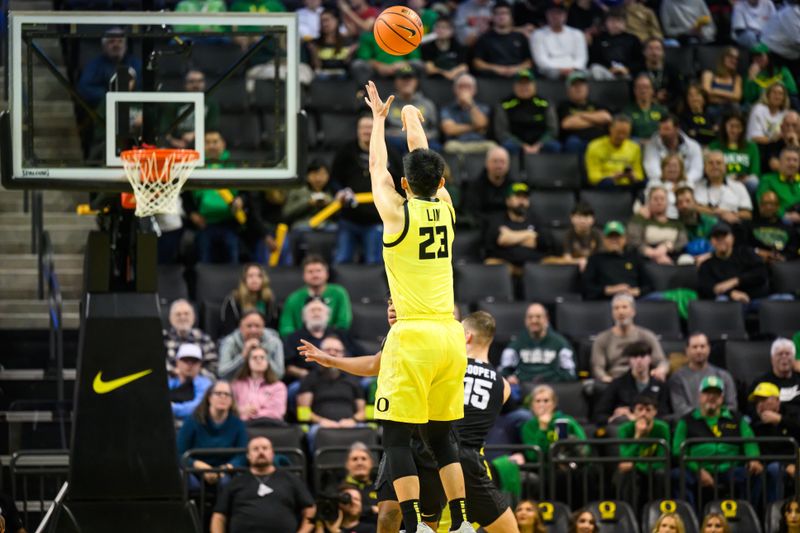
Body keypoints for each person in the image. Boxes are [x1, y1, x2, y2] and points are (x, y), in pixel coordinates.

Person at [362, 80, 473, 533]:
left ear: (405, 184)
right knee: (442, 436)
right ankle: (461, 522)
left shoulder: (396, 211)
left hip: (412, 336)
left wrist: (378, 120)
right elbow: (424, 158)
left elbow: (376, 167)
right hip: (451, 334)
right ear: (441, 183)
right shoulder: (446, 205)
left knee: (395, 438)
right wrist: (411, 117)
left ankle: (417, 526)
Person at [300, 310, 518, 533]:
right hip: (453, 452)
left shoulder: (442, 352)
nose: (392, 310)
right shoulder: (502, 383)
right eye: (389, 306)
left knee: (405, 519)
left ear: (465, 336)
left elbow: (377, 367)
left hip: (426, 438)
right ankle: (456, 521)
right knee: (403, 517)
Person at [672, 376, 763, 507]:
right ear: (700, 396)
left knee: (756, 474)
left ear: (722, 398)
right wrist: (698, 470)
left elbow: (749, 441)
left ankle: (746, 515)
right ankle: (690, 519)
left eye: (716, 393)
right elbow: (678, 451)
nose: (712, 397)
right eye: (707, 393)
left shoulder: (736, 418)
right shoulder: (687, 420)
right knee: (678, 476)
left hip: (729, 468)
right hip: (697, 468)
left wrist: (754, 459)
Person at [330, 114, 403, 265]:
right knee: (341, 260)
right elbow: (334, 179)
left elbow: (401, 183)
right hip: (349, 218)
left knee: (374, 263)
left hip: (377, 220)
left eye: (370, 127)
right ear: (357, 130)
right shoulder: (346, 151)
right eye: (363, 127)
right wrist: (339, 192)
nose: (366, 131)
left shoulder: (391, 153)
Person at [210, 436, 316, 533]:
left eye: (265, 448)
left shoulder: (291, 479)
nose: (261, 452)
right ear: (248, 456)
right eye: (255, 449)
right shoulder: (236, 482)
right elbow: (218, 516)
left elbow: (310, 509)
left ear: (273, 454)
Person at [177, 381, 250, 490]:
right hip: (196, 470)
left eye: (227, 394)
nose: (223, 397)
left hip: (225, 471)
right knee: (190, 483)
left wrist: (224, 469)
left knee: (226, 483)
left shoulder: (238, 424)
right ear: (209, 397)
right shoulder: (192, 421)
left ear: (231, 400)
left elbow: (242, 455)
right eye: (218, 393)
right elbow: (179, 453)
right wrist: (200, 466)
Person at [591, 293, 668, 383]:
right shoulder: (602, 338)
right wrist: (606, 379)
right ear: (612, 313)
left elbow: (662, 361)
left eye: (624, 307)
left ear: (633, 311)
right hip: (615, 380)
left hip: (641, 379)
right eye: (616, 308)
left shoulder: (646, 335)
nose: (620, 312)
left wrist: (661, 370)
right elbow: (597, 367)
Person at [284, 298, 362, 386]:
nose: (316, 313)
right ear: (304, 316)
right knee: (295, 388)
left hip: (344, 377)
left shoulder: (340, 334)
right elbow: (288, 366)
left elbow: (359, 355)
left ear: (327, 315)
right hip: (308, 380)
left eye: (320, 310)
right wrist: (304, 374)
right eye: (312, 310)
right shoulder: (294, 337)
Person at [298, 336, 365, 432]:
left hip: (350, 425)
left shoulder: (353, 379)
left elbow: (362, 412)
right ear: (319, 352)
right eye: (328, 350)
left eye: (337, 351)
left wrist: (353, 420)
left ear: (343, 354)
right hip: (320, 427)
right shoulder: (309, 378)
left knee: (366, 430)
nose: (332, 353)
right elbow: (303, 411)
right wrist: (321, 421)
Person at [499, 303, 577, 387]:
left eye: (538, 317)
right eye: (530, 317)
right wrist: (509, 377)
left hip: (552, 388)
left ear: (546, 319)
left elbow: (570, 374)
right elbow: (503, 371)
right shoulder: (515, 344)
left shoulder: (561, 343)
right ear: (525, 320)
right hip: (524, 388)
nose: (534, 321)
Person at [594, 342, 670, 424]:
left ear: (650, 359)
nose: (638, 360)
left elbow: (665, 414)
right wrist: (614, 418)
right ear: (629, 360)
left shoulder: (661, 386)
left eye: (643, 356)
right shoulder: (617, 384)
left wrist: (634, 415)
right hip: (624, 427)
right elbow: (599, 414)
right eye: (634, 357)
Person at [748, 382, 800, 503]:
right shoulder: (755, 425)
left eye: (764, 400)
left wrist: (780, 420)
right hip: (771, 466)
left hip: (795, 462)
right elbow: (761, 452)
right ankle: (768, 514)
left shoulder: (792, 414)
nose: (760, 405)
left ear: (777, 401)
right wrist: (786, 466)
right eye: (757, 401)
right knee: (771, 470)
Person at [616, 394, 671, 506]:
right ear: (633, 412)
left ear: (655, 412)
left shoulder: (662, 428)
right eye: (640, 409)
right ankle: (630, 516)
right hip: (635, 472)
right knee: (628, 476)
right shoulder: (625, 429)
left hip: (652, 470)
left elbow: (662, 460)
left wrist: (636, 465)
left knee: (660, 474)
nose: (643, 414)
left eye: (648, 410)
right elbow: (625, 457)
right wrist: (637, 436)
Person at [279, 255, 353, 338]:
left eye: (318, 271)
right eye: (310, 272)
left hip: (332, 340)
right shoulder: (294, 298)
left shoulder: (339, 293)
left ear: (327, 274)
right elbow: (286, 328)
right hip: (301, 343)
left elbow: (343, 323)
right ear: (304, 276)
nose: (315, 275)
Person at [697, 221, 770, 303]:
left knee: (784, 298)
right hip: (729, 304)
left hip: (756, 299)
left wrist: (736, 281)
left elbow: (761, 273)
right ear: (711, 241)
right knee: (722, 300)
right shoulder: (706, 265)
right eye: (716, 237)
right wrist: (730, 293)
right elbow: (708, 288)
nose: (720, 240)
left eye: (724, 236)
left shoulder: (745, 253)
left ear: (733, 238)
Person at [494, 69, 561, 155]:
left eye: (527, 84)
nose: (524, 87)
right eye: (521, 84)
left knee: (554, 146)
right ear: (514, 86)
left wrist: (539, 144)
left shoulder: (545, 104)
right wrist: (521, 145)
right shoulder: (504, 105)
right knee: (508, 146)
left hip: (541, 143)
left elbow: (553, 130)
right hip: (515, 143)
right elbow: (502, 132)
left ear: (534, 85)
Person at [483, 182, 549, 271]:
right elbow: (501, 240)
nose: (522, 201)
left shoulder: (536, 219)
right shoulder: (498, 220)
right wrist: (529, 234)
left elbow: (543, 242)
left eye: (525, 197)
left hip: (534, 267)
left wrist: (511, 236)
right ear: (508, 201)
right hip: (506, 268)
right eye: (518, 197)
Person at [669, 333, 737, 417]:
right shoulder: (678, 377)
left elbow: (732, 406)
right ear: (687, 350)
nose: (699, 350)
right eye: (694, 347)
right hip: (691, 424)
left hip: (720, 423)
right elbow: (680, 408)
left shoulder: (724, 376)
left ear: (709, 349)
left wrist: (713, 417)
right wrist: (703, 418)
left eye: (702, 346)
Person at [582, 222, 653, 300]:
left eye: (617, 237)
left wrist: (636, 291)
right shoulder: (594, 259)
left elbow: (649, 285)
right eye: (610, 237)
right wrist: (611, 290)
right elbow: (586, 287)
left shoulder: (634, 258)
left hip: (633, 301)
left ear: (625, 239)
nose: (614, 240)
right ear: (604, 240)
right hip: (605, 302)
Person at [77, 28, 141, 109]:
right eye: (111, 42)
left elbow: (145, 88)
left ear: (126, 46)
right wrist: (110, 94)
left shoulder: (136, 64)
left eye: (120, 41)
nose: (116, 45)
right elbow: (83, 88)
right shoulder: (95, 65)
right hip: (105, 109)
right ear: (104, 46)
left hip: (133, 108)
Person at [627, 186, 688, 264]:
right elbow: (633, 240)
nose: (659, 202)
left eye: (662, 199)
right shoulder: (641, 221)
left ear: (667, 203)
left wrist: (667, 247)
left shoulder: (676, 223)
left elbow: (683, 241)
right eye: (655, 199)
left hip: (672, 257)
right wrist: (650, 252)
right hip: (646, 258)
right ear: (649, 202)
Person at [384, 67, 439, 154]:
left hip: (422, 141)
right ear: (396, 82)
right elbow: (382, 129)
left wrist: (425, 135)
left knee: (435, 146)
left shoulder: (427, 104)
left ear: (416, 82)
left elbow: (435, 130)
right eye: (403, 79)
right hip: (396, 143)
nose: (406, 82)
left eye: (410, 79)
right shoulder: (388, 103)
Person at [472, 1, 534, 78]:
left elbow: (529, 62)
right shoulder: (484, 38)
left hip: (518, 77)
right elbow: (477, 63)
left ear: (511, 16)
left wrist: (516, 69)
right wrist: (496, 68)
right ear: (492, 17)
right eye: (498, 14)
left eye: (505, 13)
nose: (501, 17)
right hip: (492, 78)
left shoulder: (520, 37)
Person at [558, 71, 613, 154]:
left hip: (599, 140)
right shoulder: (564, 106)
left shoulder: (596, 104)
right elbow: (567, 124)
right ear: (568, 90)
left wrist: (581, 115)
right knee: (572, 143)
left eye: (581, 85)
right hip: (578, 141)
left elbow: (607, 118)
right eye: (574, 85)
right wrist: (596, 121)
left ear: (587, 88)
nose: (578, 88)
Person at [219, 310, 284, 381]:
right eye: (249, 326)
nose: (253, 330)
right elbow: (222, 374)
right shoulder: (230, 342)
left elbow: (279, 375)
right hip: (237, 384)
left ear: (263, 327)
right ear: (240, 327)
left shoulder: (274, 342)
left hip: (266, 385)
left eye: (257, 326)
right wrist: (242, 357)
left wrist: (263, 354)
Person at [162, 69, 220, 149]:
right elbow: (164, 129)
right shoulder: (175, 102)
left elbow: (213, 129)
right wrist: (174, 142)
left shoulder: (211, 103)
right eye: (192, 81)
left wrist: (194, 134)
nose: (196, 85)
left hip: (203, 144)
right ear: (185, 84)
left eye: (199, 81)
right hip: (176, 144)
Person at [692, 151, 753, 225]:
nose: (715, 166)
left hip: (731, 226)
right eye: (711, 163)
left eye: (718, 163)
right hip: (703, 226)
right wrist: (718, 213)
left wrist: (732, 214)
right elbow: (691, 207)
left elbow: (747, 214)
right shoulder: (696, 187)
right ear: (705, 168)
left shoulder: (738, 186)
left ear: (725, 167)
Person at [531, 1, 588, 80]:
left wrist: (572, 69)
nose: (555, 16)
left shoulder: (577, 34)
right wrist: (560, 70)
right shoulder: (538, 34)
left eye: (559, 13)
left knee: (584, 73)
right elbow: (541, 60)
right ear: (547, 15)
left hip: (574, 70)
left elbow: (581, 59)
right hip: (550, 71)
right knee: (548, 72)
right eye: (552, 13)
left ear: (565, 15)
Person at [462, 146, 516, 228]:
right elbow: (473, 213)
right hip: (483, 227)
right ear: (487, 163)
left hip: (510, 226)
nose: (499, 165)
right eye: (495, 161)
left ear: (508, 165)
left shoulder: (515, 186)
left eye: (502, 162)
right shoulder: (475, 187)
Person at [585, 115, 645, 188]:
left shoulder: (634, 148)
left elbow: (640, 176)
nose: (621, 136)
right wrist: (612, 177)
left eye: (625, 133)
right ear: (610, 128)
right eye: (618, 132)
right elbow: (593, 177)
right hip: (604, 188)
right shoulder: (594, 146)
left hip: (627, 187)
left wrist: (632, 176)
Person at [440, 74, 494, 154]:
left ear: (475, 90)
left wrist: (470, 104)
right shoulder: (447, 108)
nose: (464, 90)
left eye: (468, 86)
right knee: (449, 146)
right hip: (458, 144)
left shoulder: (483, 107)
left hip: (480, 143)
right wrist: (474, 128)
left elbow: (482, 124)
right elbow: (449, 130)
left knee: (493, 147)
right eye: (461, 86)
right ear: (455, 89)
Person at [231, 346, 287, 423]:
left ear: (268, 362)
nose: (258, 360)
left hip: (267, 426)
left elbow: (277, 412)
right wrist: (241, 410)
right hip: (241, 426)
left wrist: (253, 414)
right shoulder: (236, 385)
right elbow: (230, 409)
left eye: (262, 357)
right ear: (248, 362)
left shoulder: (278, 386)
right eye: (254, 357)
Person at [163, 299, 217, 377]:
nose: (183, 317)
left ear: (193, 317)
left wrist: (193, 375)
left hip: (199, 383)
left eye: (186, 314)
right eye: (178, 314)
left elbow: (213, 367)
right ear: (170, 318)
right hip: (171, 382)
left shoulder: (204, 339)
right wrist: (175, 373)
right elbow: (157, 366)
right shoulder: (163, 338)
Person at [709, 113, 761, 193]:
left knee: (754, 181)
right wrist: (728, 178)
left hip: (745, 183)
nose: (734, 130)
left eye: (738, 127)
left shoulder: (751, 147)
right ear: (725, 126)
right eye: (731, 126)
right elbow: (710, 170)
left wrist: (741, 179)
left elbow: (755, 172)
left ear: (743, 128)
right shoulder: (714, 146)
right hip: (722, 182)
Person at [220, 263, 277, 336]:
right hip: (237, 338)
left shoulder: (269, 299)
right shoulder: (234, 300)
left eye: (259, 276)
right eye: (250, 276)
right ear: (244, 280)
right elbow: (228, 329)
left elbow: (272, 327)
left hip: (263, 339)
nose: (254, 279)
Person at [644, 115, 704, 184]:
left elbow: (697, 171)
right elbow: (652, 170)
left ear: (677, 129)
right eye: (660, 129)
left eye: (666, 129)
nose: (662, 133)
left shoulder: (693, 146)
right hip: (661, 185)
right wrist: (667, 184)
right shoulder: (651, 146)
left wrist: (683, 183)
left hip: (688, 185)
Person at [749, 338, 800, 420]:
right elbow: (751, 410)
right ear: (772, 359)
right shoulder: (760, 382)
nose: (784, 357)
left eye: (788, 354)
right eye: (779, 354)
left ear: (794, 359)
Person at [748, 190, 800, 263]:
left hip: (782, 265)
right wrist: (757, 252)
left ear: (778, 206)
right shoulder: (749, 226)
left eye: (772, 204)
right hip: (757, 262)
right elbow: (742, 248)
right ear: (759, 206)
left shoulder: (789, 229)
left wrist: (782, 257)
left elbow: (793, 251)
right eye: (764, 204)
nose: (768, 207)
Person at [588, 10, 643, 80]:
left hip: (627, 73)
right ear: (606, 23)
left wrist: (627, 69)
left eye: (618, 21)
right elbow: (593, 60)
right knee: (595, 68)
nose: (615, 24)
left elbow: (639, 62)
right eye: (612, 21)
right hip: (606, 72)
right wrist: (610, 68)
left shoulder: (633, 39)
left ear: (625, 23)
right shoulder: (599, 39)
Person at [307, 9, 358, 79]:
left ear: (336, 21)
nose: (324, 24)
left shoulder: (348, 42)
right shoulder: (314, 43)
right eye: (322, 21)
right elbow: (317, 68)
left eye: (327, 20)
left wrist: (349, 56)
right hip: (322, 78)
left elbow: (348, 66)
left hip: (344, 79)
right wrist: (314, 54)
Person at [169, 343, 213, 421]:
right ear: (177, 362)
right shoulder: (170, 381)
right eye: (185, 360)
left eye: (194, 361)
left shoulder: (206, 384)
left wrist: (171, 407)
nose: (189, 365)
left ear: (200, 364)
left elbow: (198, 407)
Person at [757, 146, 800, 224]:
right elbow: (763, 202)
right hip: (781, 220)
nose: (792, 163)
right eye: (788, 160)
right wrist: (784, 214)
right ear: (780, 162)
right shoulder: (768, 179)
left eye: (795, 160)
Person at [341, 442, 379, 525]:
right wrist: (371, 509)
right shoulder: (339, 488)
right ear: (347, 464)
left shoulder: (380, 487)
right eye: (354, 459)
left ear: (371, 463)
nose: (359, 463)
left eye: (364, 459)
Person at [637, 38, 683, 107]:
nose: (654, 52)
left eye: (658, 49)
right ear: (644, 52)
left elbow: (678, 91)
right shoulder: (637, 70)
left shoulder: (672, 70)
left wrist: (667, 94)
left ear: (663, 52)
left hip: (668, 107)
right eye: (650, 49)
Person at [676, 186, 718, 258]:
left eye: (688, 201)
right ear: (676, 206)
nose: (684, 205)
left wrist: (708, 256)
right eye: (680, 202)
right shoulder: (676, 225)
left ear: (695, 202)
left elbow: (720, 244)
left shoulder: (711, 222)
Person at [624, 73, 669, 141]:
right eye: (639, 87)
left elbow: (668, 131)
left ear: (652, 90)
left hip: (658, 147)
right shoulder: (627, 111)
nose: (643, 91)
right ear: (634, 90)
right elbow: (625, 136)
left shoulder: (662, 110)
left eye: (646, 87)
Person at [422, 17, 469, 81]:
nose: (440, 30)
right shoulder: (428, 47)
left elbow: (463, 66)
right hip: (435, 79)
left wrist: (452, 73)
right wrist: (445, 73)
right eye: (438, 27)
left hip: (455, 77)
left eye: (444, 28)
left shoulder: (458, 46)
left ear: (451, 31)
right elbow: (430, 68)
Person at [561, 202, 603, 270]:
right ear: (571, 218)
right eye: (579, 217)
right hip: (574, 268)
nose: (583, 221)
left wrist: (588, 263)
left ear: (593, 219)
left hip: (594, 268)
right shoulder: (568, 235)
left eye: (586, 217)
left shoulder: (598, 234)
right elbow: (566, 258)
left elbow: (601, 258)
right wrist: (580, 261)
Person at [700, 47, 743, 113]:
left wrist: (714, 91)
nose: (734, 61)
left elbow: (737, 96)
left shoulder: (737, 78)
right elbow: (707, 92)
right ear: (723, 57)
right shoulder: (709, 74)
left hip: (730, 111)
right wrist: (730, 96)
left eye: (736, 59)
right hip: (711, 110)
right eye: (730, 57)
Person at [748, 82, 791, 146]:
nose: (777, 96)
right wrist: (772, 139)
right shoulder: (758, 109)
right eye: (774, 93)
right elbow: (754, 137)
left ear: (784, 98)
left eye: (780, 94)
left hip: (778, 147)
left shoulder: (786, 113)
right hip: (758, 147)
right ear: (768, 95)